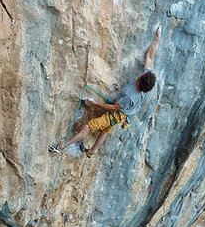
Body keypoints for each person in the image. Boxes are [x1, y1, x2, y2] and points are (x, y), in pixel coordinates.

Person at [51, 26, 161, 157]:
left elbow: (114, 107)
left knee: (89, 127)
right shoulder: (146, 84)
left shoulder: (130, 96)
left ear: (139, 82)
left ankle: (63, 146)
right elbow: (149, 57)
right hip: (122, 114)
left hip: (115, 114)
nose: (141, 74)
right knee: (104, 131)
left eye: (141, 76)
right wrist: (156, 40)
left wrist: (95, 104)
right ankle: (91, 151)